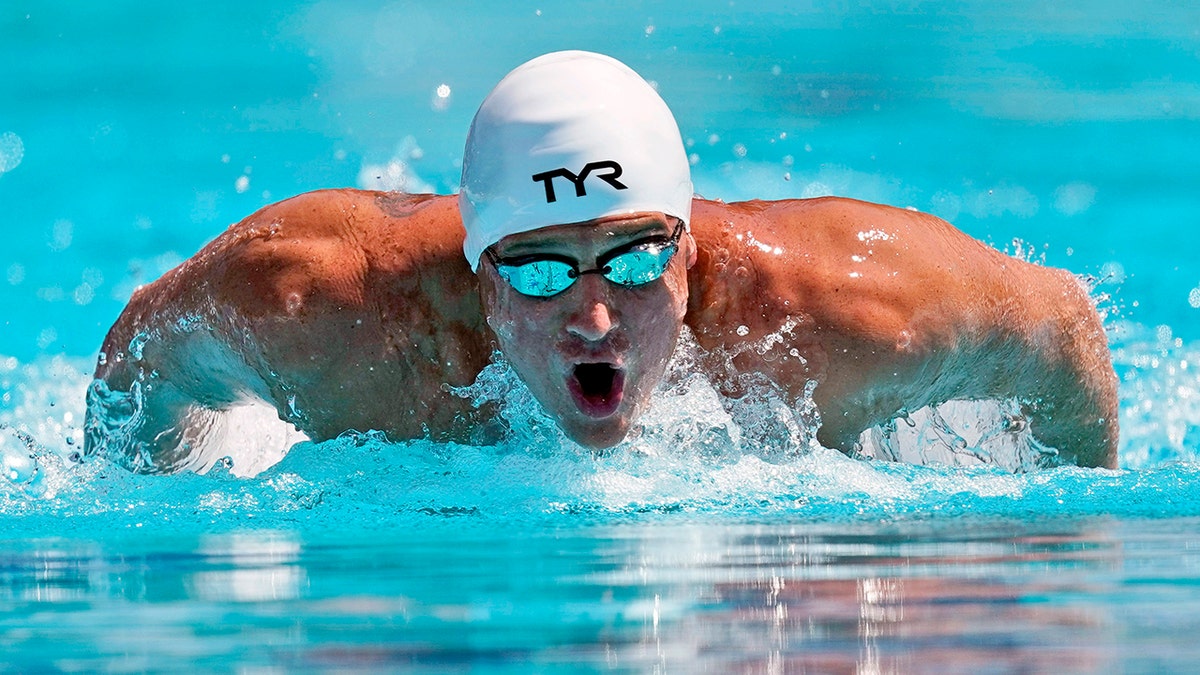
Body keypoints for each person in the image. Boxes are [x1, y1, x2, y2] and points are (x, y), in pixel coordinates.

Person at [84, 51, 1119, 473]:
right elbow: (145, 348)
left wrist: (1053, 572)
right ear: (481, 277)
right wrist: (179, 504)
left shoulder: (840, 311)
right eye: (540, 271)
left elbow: (1064, 328)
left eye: (629, 260)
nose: (592, 318)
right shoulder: (322, 302)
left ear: (687, 250)